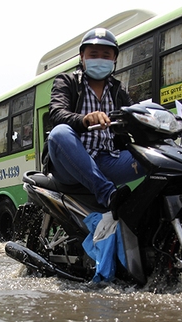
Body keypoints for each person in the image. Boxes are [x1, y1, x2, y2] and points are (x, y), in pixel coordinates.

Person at [47, 28, 143, 216]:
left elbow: (135, 118)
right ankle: (109, 195)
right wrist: (84, 119)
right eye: (93, 54)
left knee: (156, 156)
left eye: (106, 55)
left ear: (114, 59)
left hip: (108, 160)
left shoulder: (118, 89)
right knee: (59, 133)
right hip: (70, 164)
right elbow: (57, 113)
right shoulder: (66, 81)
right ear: (82, 56)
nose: (100, 59)